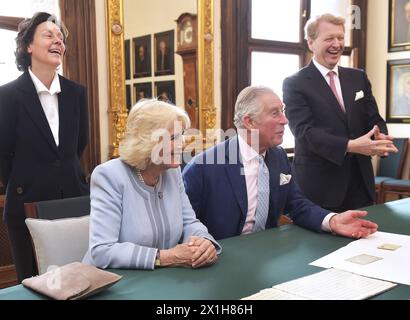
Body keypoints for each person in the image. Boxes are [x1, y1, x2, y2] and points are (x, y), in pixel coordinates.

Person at [182, 86, 378, 241]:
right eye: (275, 113)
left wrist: (333, 220)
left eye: (282, 111)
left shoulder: (278, 156)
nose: (285, 120)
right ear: (249, 122)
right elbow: (184, 224)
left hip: (267, 253)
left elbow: (297, 204)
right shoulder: (203, 167)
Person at [0, 12, 89, 282]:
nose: (57, 41)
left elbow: (78, 146)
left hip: (74, 202)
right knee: (34, 285)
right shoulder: (6, 96)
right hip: (26, 204)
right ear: (28, 46)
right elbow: (3, 154)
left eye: (60, 37)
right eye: (48, 35)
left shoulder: (76, 93)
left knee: (79, 282)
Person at [83, 99, 221, 270]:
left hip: (163, 279)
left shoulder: (172, 171)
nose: (183, 143)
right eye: (174, 137)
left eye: (182, 134)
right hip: (115, 283)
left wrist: (204, 242)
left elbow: (189, 222)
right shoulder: (109, 176)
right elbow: (102, 251)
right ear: (147, 142)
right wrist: (168, 257)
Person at [282, 14, 398, 213]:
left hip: (360, 185)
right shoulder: (295, 83)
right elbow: (305, 132)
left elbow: (374, 118)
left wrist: (380, 138)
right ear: (311, 43)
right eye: (329, 39)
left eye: (340, 38)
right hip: (320, 188)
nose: (337, 44)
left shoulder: (358, 77)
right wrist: (350, 146)